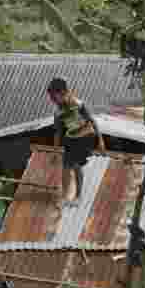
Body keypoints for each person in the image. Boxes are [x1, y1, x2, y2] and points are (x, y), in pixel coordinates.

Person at [47, 77, 105, 205]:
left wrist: (101, 142)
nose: (52, 100)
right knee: (67, 166)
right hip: (71, 139)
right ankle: (66, 197)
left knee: (75, 166)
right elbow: (57, 133)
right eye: (51, 97)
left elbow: (92, 121)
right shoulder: (58, 113)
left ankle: (77, 197)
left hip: (86, 138)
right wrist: (56, 152)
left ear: (62, 93)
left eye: (53, 97)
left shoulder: (78, 104)